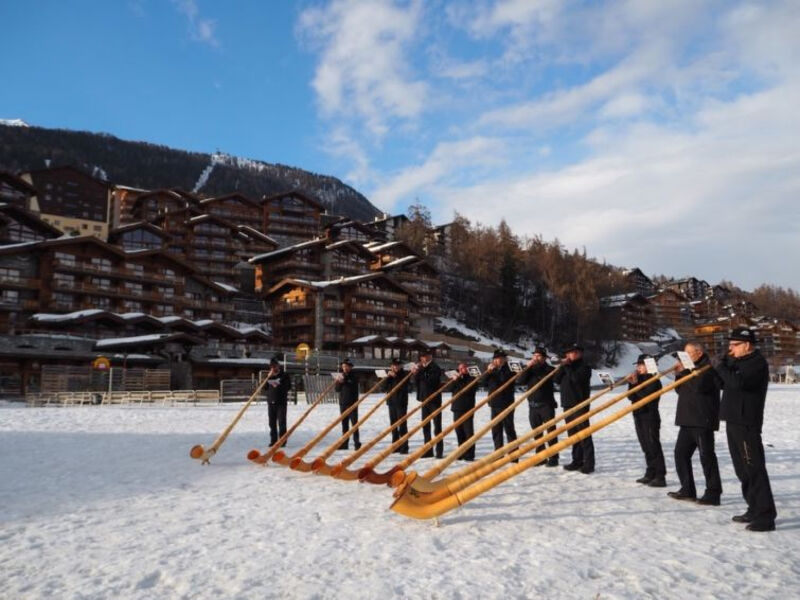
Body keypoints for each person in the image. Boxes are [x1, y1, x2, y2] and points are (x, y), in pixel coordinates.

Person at [715, 327, 777, 532]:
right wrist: (720, 367)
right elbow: (723, 383)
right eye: (730, 345)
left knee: (754, 467)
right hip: (733, 419)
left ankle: (766, 516)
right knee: (742, 469)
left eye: (734, 345)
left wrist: (723, 366)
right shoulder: (738, 362)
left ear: (747, 345)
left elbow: (737, 382)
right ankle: (753, 507)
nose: (730, 348)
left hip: (746, 421)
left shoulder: (757, 363)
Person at [667, 342, 722, 504]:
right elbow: (680, 389)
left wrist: (685, 371)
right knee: (680, 454)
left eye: (688, 353)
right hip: (687, 418)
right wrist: (679, 374)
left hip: (702, 419)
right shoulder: (689, 369)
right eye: (684, 354)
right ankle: (687, 489)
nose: (685, 357)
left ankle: (713, 492)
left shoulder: (708, 368)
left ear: (698, 353)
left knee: (706, 456)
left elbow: (698, 386)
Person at [626, 354, 667, 487]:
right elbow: (631, 397)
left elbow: (646, 396)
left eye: (641, 365)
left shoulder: (654, 380)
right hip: (638, 415)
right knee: (645, 446)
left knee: (653, 445)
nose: (638, 368)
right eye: (638, 365)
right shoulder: (638, 378)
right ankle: (650, 472)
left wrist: (636, 384)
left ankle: (660, 476)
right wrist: (632, 383)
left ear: (649, 366)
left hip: (650, 416)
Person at [554, 343, 595, 474]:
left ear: (580, 354)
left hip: (579, 405)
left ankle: (589, 463)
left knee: (584, 435)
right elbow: (556, 379)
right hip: (567, 404)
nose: (572, 355)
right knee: (573, 435)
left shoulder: (585, 367)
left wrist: (567, 366)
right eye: (570, 353)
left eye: (575, 352)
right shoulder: (566, 367)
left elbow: (575, 379)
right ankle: (576, 460)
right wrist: (562, 367)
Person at [519, 346, 559, 467]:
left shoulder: (549, 369)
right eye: (534, 356)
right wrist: (527, 367)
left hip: (546, 405)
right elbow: (520, 381)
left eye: (538, 356)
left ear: (544, 358)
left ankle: (553, 457)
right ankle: (540, 456)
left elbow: (556, 379)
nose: (535, 358)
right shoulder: (529, 370)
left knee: (551, 432)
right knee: (537, 433)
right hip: (533, 406)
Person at [485, 349, 518, 457]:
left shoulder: (510, 369)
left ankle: (513, 454)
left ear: (504, 359)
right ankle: (498, 453)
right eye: (496, 358)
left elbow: (505, 380)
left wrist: (495, 372)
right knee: (496, 430)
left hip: (506, 403)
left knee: (509, 428)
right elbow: (483, 383)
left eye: (500, 358)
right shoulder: (490, 370)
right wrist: (488, 372)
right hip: (494, 403)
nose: (498, 360)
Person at [413, 349, 444, 458]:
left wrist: (420, 372)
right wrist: (415, 373)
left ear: (430, 357)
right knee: (425, 426)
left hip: (434, 400)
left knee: (437, 427)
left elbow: (431, 381)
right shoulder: (422, 368)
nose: (424, 358)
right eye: (422, 357)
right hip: (424, 400)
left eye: (426, 356)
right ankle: (428, 450)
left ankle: (439, 451)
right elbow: (416, 382)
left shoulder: (435, 367)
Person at [449, 362, 477, 461]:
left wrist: (457, 381)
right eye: (460, 368)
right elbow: (450, 389)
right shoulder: (456, 378)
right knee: (459, 431)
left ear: (467, 369)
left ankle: (470, 454)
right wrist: (453, 381)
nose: (461, 370)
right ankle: (461, 452)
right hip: (457, 408)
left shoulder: (472, 377)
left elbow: (467, 390)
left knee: (468, 432)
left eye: (463, 368)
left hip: (467, 408)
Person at [384, 358, 409, 454]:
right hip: (391, 402)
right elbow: (384, 388)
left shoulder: (405, 374)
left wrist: (396, 377)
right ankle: (395, 446)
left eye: (398, 365)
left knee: (402, 425)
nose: (396, 367)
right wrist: (388, 377)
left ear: (401, 366)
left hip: (401, 403)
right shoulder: (389, 375)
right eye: (394, 365)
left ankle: (404, 447)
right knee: (393, 425)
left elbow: (406, 387)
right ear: (391, 366)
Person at [335, 358, 361, 451]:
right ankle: (344, 443)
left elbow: (352, 383)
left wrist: (344, 380)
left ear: (350, 367)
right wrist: (339, 382)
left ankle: (357, 443)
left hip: (352, 403)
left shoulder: (354, 375)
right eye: (343, 366)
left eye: (346, 366)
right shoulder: (340, 375)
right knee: (344, 424)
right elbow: (337, 389)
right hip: (343, 403)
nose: (345, 368)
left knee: (354, 424)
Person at [265, 355, 291, 446]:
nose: (273, 368)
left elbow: (288, 387)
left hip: (281, 402)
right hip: (271, 402)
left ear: (278, 366)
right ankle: (273, 440)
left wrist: (278, 385)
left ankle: (282, 441)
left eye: (274, 366)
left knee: (282, 422)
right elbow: (264, 388)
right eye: (271, 366)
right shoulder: (269, 376)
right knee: (272, 423)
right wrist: (268, 378)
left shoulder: (284, 375)